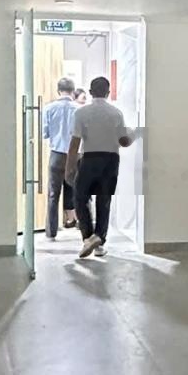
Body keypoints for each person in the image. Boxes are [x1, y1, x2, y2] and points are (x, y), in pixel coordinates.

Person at [63, 74, 134, 257]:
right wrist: (131, 136)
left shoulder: (81, 113)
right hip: (111, 160)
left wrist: (69, 167)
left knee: (80, 198)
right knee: (104, 200)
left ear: (90, 92)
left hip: (89, 158)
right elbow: (124, 141)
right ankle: (99, 240)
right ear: (108, 93)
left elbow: (75, 143)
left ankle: (88, 237)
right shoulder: (116, 113)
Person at [41, 77, 79, 240]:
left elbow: (45, 133)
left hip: (56, 155)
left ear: (58, 91)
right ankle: (86, 230)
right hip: (75, 155)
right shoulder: (79, 110)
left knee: (53, 194)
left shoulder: (49, 109)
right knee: (81, 192)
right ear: (73, 91)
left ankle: (51, 232)